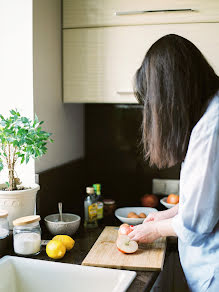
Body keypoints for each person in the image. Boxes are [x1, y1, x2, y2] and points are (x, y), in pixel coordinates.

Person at [129, 34, 219, 292]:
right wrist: (164, 216)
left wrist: (156, 230)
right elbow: (206, 203)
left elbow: (196, 224)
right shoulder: (209, 115)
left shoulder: (212, 128)